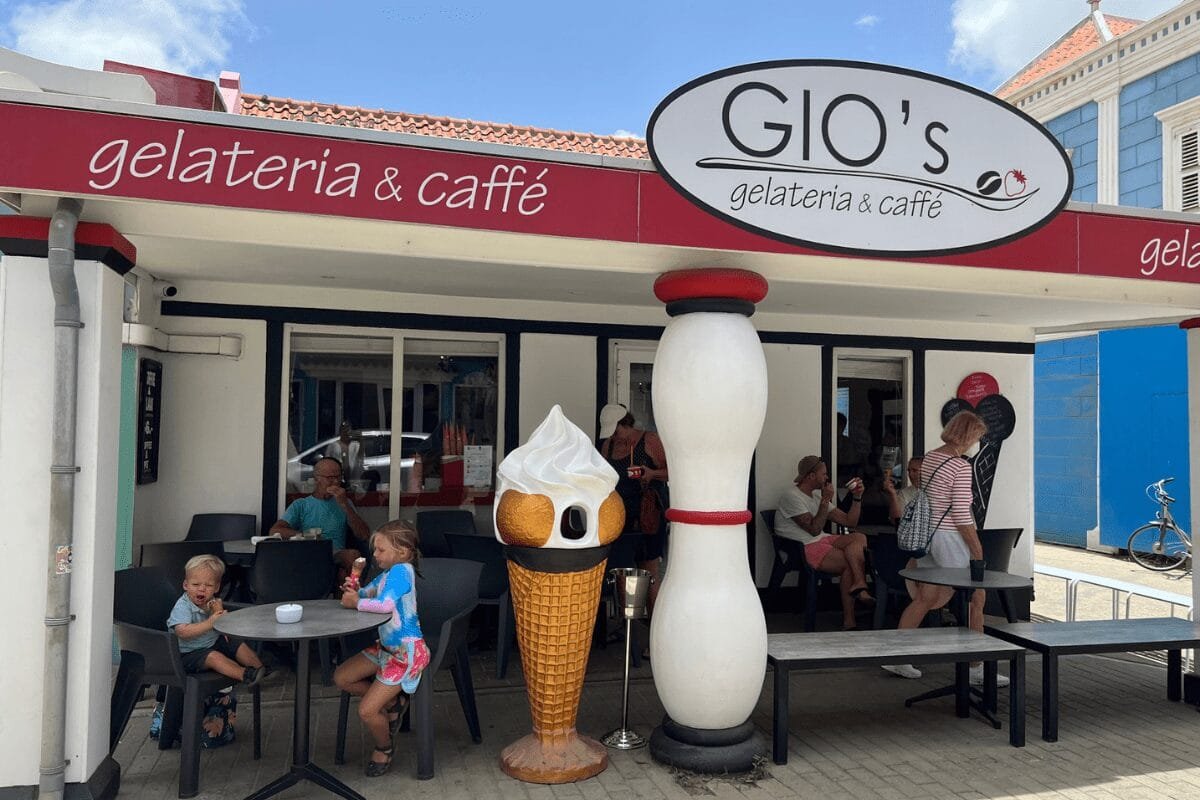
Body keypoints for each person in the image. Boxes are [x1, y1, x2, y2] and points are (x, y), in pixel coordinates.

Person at [881, 411, 1007, 687]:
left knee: (925, 597)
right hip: (951, 539)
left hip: (929, 537)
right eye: (978, 437)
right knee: (977, 597)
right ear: (968, 436)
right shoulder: (960, 467)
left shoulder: (932, 457)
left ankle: (897, 655)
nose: (979, 443)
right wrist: (977, 550)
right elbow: (962, 514)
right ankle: (975, 667)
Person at [333, 521, 430, 777]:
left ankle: (384, 747)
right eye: (375, 550)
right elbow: (367, 594)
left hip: (405, 653)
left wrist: (356, 604)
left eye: (380, 550)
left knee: (366, 710)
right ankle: (393, 703)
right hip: (386, 648)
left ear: (403, 551)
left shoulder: (402, 572)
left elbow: (385, 605)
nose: (375, 555)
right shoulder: (387, 574)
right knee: (342, 677)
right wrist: (354, 590)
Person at [775, 455, 875, 630]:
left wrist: (857, 497)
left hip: (821, 539)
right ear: (811, 476)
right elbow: (813, 529)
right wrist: (825, 501)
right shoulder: (791, 497)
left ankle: (860, 583)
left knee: (859, 537)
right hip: (803, 547)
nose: (827, 478)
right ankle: (849, 620)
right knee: (848, 562)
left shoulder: (815, 496)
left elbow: (850, 522)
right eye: (824, 474)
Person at [597, 403, 668, 607]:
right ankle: (627, 620)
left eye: (617, 431)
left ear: (625, 423)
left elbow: (672, 470)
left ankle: (653, 621)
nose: (615, 436)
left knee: (648, 567)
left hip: (647, 512)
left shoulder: (649, 441)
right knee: (621, 568)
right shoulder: (608, 446)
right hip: (619, 514)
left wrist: (651, 473)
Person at [167, 555, 264, 685]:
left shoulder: (212, 601)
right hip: (187, 654)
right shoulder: (183, 606)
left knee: (237, 644)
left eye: (208, 585)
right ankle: (247, 675)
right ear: (186, 585)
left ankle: (260, 670)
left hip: (212, 642)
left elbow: (221, 620)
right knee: (214, 657)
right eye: (195, 584)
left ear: (216, 588)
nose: (202, 589)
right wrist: (210, 622)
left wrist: (218, 611)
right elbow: (182, 632)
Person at [270, 456, 370, 575]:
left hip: (335, 553)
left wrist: (345, 505)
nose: (336, 481)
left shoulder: (345, 503)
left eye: (338, 477)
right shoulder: (301, 505)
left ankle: (351, 593)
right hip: (307, 553)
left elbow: (364, 535)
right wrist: (306, 535)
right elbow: (275, 531)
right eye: (329, 478)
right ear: (317, 479)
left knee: (353, 558)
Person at [881, 456, 924, 524]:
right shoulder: (904, 493)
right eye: (909, 471)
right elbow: (896, 521)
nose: (910, 474)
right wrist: (893, 495)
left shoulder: (939, 491)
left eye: (915, 470)